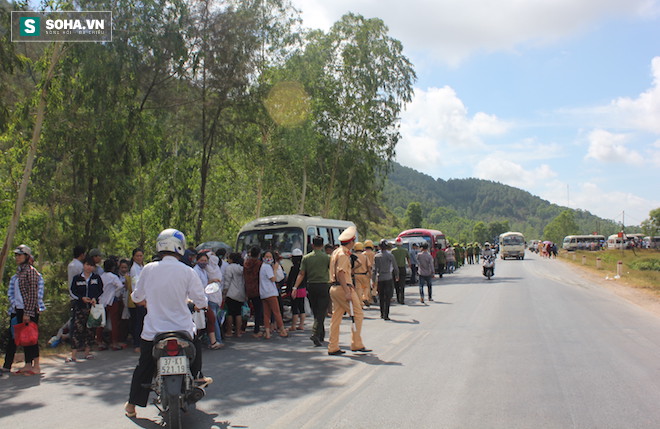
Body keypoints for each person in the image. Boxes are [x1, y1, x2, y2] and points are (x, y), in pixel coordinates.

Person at [125, 228, 211, 419]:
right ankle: (196, 377)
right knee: (195, 345)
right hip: (182, 330)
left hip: (154, 331)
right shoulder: (188, 272)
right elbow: (201, 300)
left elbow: (137, 297)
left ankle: (132, 405)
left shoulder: (148, 269)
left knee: (144, 366)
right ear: (180, 247)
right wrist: (197, 304)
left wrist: (146, 301)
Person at [3, 245, 46, 376]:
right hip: (19, 309)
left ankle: (36, 366)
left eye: (20, 255)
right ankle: (28, 364)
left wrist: (28, 312)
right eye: (16, 255)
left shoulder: (31, 272)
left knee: (32, 338)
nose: (17, 257)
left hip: (29, 309)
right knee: (25, 338)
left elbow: (33, 293)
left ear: (27, 257)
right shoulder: (19, 272)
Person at [327, 226, 370, 355]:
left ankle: (333, 346)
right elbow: (341, 273)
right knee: (358, 314)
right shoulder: (344, 254)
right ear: (351, 242)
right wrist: (347, 291)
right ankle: (356, 343)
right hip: (343, 287)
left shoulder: (336, 252)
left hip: (334, 288)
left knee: (336, 318)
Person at [293, 236, 330, 347]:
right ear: (322, 245)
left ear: (312, 245)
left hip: (311, 286)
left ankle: (320, 335)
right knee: (322, 311)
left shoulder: (306, 258)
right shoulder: (327, 258)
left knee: (316, 311)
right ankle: (315, 333)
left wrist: (295, 287)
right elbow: (332, 271)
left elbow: (301, 274)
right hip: (324, 285)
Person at [69, 256, 104, 362]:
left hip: (93, 308)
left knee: (91, 330)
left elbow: (100, 290)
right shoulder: (77, 278)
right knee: (77, 330)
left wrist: (94, 298)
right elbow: (73, 291)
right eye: (87, 265)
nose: (89, 267)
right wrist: (81, 298)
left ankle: (87, 352)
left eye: (91, 266)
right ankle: (73, 354)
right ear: (83, 265)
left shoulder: (96, 278)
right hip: (80, 308)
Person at [193, 252, 223, 349]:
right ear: (197, 261)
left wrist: (212, 281)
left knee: (209, 319)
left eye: (205, 261)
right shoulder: (195, 271)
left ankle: (213, 341)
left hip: (204, 299)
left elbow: (205, 283)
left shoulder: (204, 271)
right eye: (202, 260)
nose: (204, 262)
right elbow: (198, 286)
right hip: (197, 300)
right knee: (202, 320)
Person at [259, 251, 288, 339]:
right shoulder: (267, 267)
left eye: (270, 256)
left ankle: (267, 332)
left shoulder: (262, 266)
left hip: (264, 293)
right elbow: (273, 279)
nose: (269, 258)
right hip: (270, 292)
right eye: (267, 256)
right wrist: (275, 269)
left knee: (266, 313)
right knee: (276, 312)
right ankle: (282, 330)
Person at [99, 259, 126, 350]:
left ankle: (99, 342)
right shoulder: (113, 277)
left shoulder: (101, 276)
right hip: (112, 300)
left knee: (101, 322)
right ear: (113, 267)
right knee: (114, 322)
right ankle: (114, 342)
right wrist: (114, 292)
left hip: (102, 300)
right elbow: (120, 286)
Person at [372, 239, 398, 320]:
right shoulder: (390, 256)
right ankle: (386, 314)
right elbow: (395, 267)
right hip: (388, 278)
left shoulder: (376, 256)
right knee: (388, 297)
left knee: (381, 296)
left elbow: (374, 270)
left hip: (380, 278)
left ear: (380, 247)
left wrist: (373, 280)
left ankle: (382, 313)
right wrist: (397, 275)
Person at [223, 252, 246, 337]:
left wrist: (224, 292)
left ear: (231, 259)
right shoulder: (242, 268)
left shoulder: (229, 268)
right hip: (241, 293)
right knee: (238, 313)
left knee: (230, 313)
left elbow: (227, 281)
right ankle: (238, 332)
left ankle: (229, 331)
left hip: (231, 293)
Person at [244, 246, 264, 337]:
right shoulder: (259, 264)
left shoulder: (246, 263)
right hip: (257, 289)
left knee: (245, 308)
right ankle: (257, 330)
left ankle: (242, 328)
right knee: (258, 310)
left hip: (248, 288)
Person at [287, 248, 306, 332]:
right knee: (302, 307)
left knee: (294, 308)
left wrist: (288, 290)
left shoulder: (293, 268)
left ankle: (293, 326)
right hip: (303, 289)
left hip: (294, 290)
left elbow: (289, 280)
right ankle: (301, 325)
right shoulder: (304, 268)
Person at [352, 242, 372, 308]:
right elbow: (368, 266)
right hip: (365, 274)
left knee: (358, 289)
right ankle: (365, 297)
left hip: (356, 275)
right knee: (366, 287)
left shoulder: (353, 256)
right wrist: (370, 274)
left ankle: (360, 304)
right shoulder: (365, 256)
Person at [391, 238, 410, 304]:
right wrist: (409, 267)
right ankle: (402, 299)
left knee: (396, 284)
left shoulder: (393, 251)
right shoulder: (405, 250)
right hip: (402, 268)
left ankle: (398, 298)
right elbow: (408, 259)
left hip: (395, 269)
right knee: (402, 285)